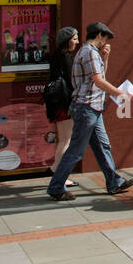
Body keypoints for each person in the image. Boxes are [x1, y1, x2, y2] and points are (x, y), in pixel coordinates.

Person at [46, 22, 133, 200]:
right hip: (87, 107)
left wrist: (105, 58)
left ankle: (114, 182)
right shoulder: (89, 52)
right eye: (106, 38)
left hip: (92, 107)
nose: (106, 42)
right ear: (100, 35)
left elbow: (100, 77)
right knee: (76, 151)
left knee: (102, 146)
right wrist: (121, 94)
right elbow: (98, 81)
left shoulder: (90, 53)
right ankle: (56, 187)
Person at [46, 26, 80, 187]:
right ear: (67, 41)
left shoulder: (56, 55)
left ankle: (54, 168)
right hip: (64, 102)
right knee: (65, 140)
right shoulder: (66, 57)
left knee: (64, 138)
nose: (77, 42)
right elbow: (71, 80)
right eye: (74, 39)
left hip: (58, 102)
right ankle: (60, 174)